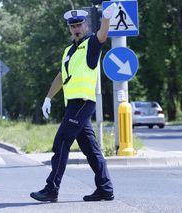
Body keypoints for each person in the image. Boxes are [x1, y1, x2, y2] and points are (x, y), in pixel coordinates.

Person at [30, 3, 118, 203]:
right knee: (91, 149)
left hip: (83, 102)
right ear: (69, 28)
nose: (76, 29)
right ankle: (105, 189)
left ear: (85, 26)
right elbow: (62, 76)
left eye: (79, 25)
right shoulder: (68, 51)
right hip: (74, 105)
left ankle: (51, 188)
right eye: (73, 26)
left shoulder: (91, 45)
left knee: (61, 142)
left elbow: (103, 36)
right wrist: (47, 98)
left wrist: (106, 18)